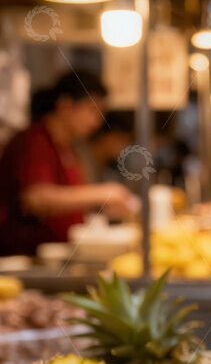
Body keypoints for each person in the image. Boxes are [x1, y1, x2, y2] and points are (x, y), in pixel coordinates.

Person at [0, 71, 139, 255]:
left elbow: (68, 201)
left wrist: (102, 207)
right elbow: (36, 198)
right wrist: (103, 193)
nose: (96, 122)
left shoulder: (68, 147)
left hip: (60, 255)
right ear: (65, 106)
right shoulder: (34, 141)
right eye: (91, 111)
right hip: (25, 256)